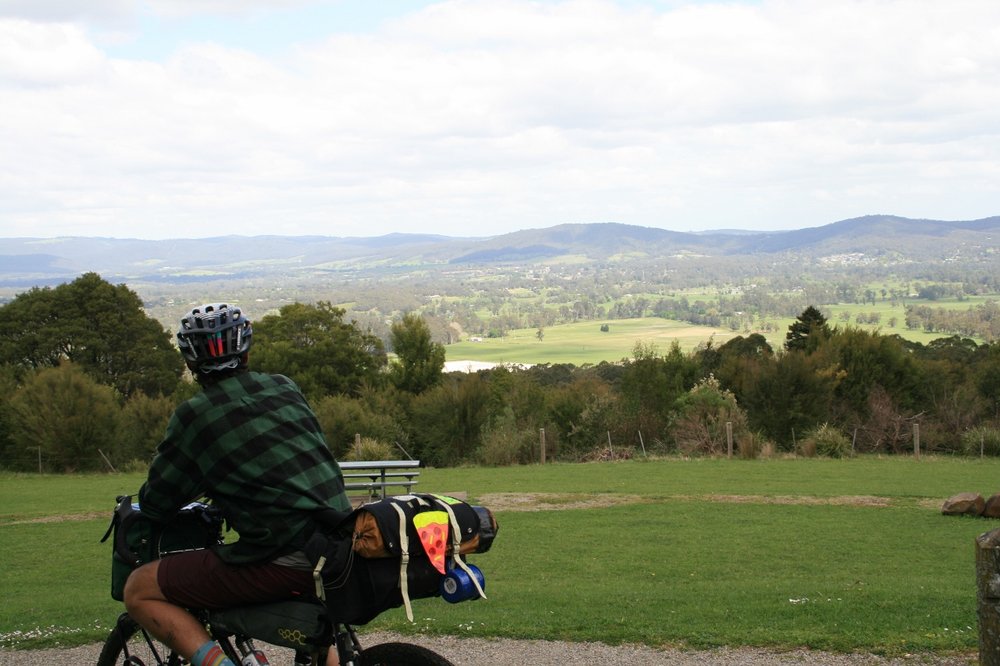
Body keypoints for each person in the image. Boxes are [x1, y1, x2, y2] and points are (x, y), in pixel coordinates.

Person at [123, 303, 351, 666]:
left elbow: (157, 502)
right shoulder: (284, 387)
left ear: (191, 361)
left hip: (284, 557)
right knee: (316, 637)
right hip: (339, 542)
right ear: (245, 350)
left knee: (138, 588)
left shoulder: (194, 415)